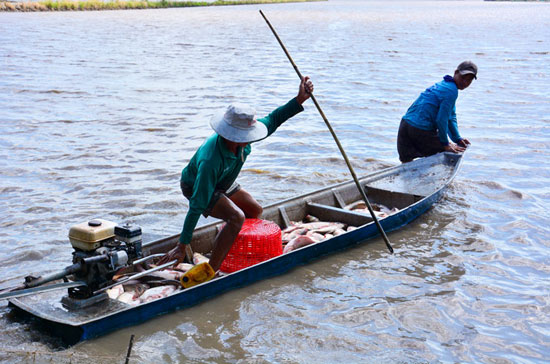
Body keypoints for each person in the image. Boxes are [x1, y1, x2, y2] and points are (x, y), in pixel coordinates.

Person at [159, 77, 314, 272]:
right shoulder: (210, 160)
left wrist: (299, 99)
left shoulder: (243, 142)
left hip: (224, 180)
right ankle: (212, 270)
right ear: (231, 135)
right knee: (236, 217)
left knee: (255, 210)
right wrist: (183, 244)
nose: (250, 139)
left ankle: (230, 248)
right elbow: (197, 204)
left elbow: (274, 119)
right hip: (196, 185)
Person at [397, 60, 477, 163]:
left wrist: (457, 138)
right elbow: (441, 120)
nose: (465, 82)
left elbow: (450, 117)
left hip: (405, 125)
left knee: (406, 162)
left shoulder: (444, 85)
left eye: (469, 80)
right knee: (450, 155)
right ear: (456, 72)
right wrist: (445, 144)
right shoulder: (451, 91)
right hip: (420, 129)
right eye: (463, 78)